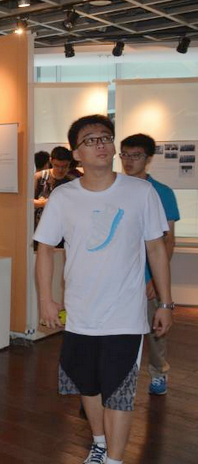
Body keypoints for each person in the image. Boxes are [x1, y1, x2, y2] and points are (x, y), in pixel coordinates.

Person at [35, 115, 174, 464]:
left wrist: (166, 303)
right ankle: (99, 443)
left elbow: (156, 248)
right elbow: (45, 249)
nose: (100, 144)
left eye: (105, 137)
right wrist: (46, 300)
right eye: (90, 139)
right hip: (80, 312)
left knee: (119, 392)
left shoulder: (141, 192)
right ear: (76, 154)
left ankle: (114, 458)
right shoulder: (63, 196)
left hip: (125, 315)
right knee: (88, 384)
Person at [120, 133, 180, 396]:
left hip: (148, 277)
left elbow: (168, 241)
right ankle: (122, 374)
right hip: (120, 276)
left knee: (155, 331)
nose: (129, 161)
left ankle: (158, 372)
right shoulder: (114, 188)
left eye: (136, 156)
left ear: (148, 159)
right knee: (121, 332)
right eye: (125, 155)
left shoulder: (162, 192)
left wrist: (156, 278)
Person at [34, 146, 79, 230]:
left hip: (64, 228)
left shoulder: (73, 181)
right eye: (56, 165)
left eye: (64, 166)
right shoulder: (40, 177)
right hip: (41, 227)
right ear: (51, 161)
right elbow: (27, 203)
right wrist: (43, 203)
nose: (60, 170)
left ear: (69, 163)